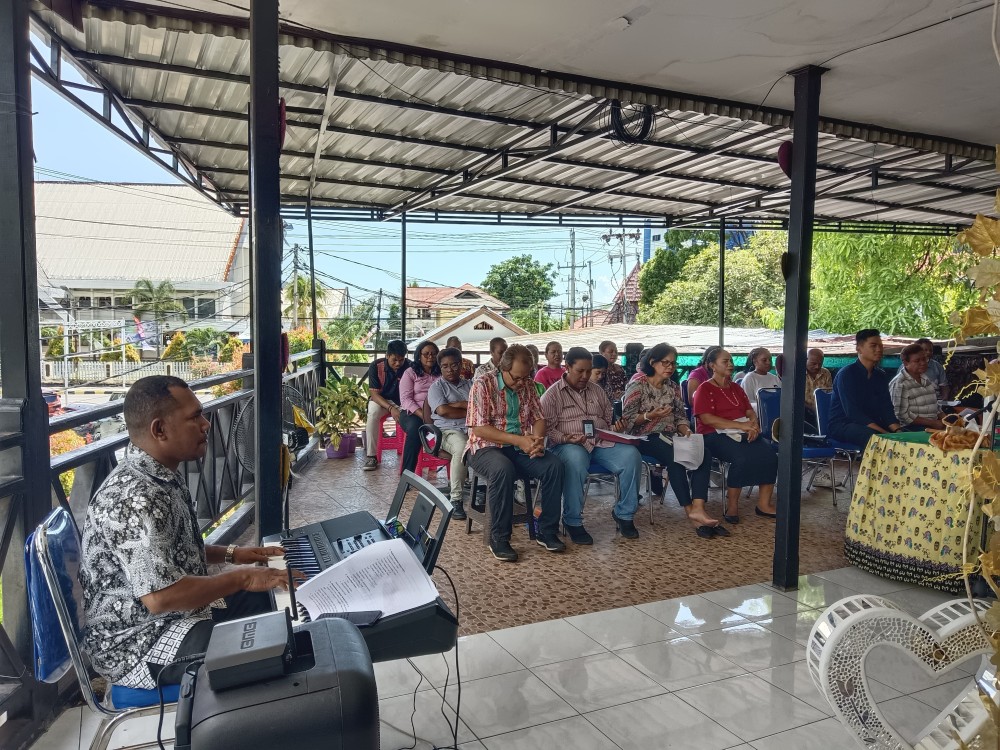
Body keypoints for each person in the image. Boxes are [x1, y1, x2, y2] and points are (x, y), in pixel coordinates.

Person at [80, 376, 295, 690]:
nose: (206, 425)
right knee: (267, 648)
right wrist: (242, 577)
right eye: (195, 417)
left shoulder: (159, 472)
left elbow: (169, 550)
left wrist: (234, 554)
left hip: (173, 616)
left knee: (271, 601)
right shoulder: (135, 497)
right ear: (159, 430)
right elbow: (160, 597)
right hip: (137, 643)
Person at [466, 344, 565, 561]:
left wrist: (537, 441)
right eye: (517, 378)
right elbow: (479, 428)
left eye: (526, 377)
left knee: (554, 466)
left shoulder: (528, 385)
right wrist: (519, 440)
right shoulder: (483, 384)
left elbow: (539, 418)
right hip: (485, 447)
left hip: (518, 447)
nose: (521, 383)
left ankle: (547, 531)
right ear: (503, 368)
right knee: (503, 469)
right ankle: (499, 538)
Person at [541, 347, 643, 543]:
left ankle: (624, 514)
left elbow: (607, 418)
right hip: (566, 445)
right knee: (576, 458)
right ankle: (572, 520)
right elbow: (546, 430)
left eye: (589, 371)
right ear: (567, 367)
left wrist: (616, 428)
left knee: (631, 455)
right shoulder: (552, 395)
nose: (585, 376)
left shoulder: (596, 390)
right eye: (580, 371)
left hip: (599, 441)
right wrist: (566, 438)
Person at [621, 343, 724, 538]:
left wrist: (686, 430)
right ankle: (692, 515)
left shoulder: (673, 387)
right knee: (676, 457)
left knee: (703, 453)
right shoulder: (638, 385)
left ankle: (698, 507)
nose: (670, 367)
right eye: (665, 363)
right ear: (653, 362)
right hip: (645, 437)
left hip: (670, 437)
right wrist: (651, 415)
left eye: (673, 363)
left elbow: (680, 417)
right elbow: (627, 422)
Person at [692, 348, 778, 522]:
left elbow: (749, 411)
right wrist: (741, 425)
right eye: (725, 361)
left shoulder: (736, 388)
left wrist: (753, 426)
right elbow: (707, 419)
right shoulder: (704, 388)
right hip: (713, 435)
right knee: (741, 458)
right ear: (712, 365)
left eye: (731, 361)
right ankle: (732, 507)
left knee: (770, 454)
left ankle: (764, 504)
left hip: (742, 432)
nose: (730, 364)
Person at [828, 329, 902, 446]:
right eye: (873, 345)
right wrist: (885, 434)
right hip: (843, 425)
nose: (879, 349)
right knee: (876, 439)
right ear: (859, 349)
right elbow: (853, 413)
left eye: (880, 346)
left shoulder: (880, 376)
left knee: (907, 437)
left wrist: (898, 431)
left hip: (871, 424)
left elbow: (886, 408)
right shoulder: (846, 374)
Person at [427, 347, 473, 519]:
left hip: (473, 429)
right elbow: (443, 411)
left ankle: (488, 492)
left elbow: (480, 408)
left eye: (454, 365)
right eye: (445, 366)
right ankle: (456, 499)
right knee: (462, 448)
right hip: (447, 431)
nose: (450, 370)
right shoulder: (436, 387)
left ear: (461, 365)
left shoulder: (470, 385)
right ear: (440, 368)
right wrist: (467, 407)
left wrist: (458, 404)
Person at [363, 339, 411, 471]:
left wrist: (401, 409)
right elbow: (374, 394)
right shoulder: (376, 366)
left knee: (413, 417)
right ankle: (372, 456)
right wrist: (391, 408)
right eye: (394, 360)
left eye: (401, 360)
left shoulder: (410, 366)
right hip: (381, 401)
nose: (398, 363)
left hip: (403, 402)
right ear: (387, 356)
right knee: (372, 414)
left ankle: (411, 456)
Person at [398, 340, 441, 474]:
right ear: (419, 356)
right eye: (426, 354)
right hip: (413, 413)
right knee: (416, 430)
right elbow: (406, 400)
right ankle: (407, 474)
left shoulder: (441, 372)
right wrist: (424, 415)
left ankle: (463, 476)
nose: (430, 357)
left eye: (433, 354)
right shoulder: (410, 372)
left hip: (438, 412)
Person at [890, 343, 946, 431]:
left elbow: (935, 405)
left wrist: (946, 420)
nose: (923, 363)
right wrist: (932, 423)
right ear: (905, 363)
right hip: (912, 429)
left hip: (933, 424)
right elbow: (902, 415)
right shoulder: (900, 383)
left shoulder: (925, 378)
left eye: (924, 359)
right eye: (917, 361)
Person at [804, 348, 833, 429]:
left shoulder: (826, 373)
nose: (817, 367)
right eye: (813, 363)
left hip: (822, 411)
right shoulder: (797, 373)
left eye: (820, 364)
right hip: (803, 411)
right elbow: (794, 399)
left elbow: (829, 395)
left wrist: (820, 409)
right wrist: (812, 409)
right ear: (806, 360)